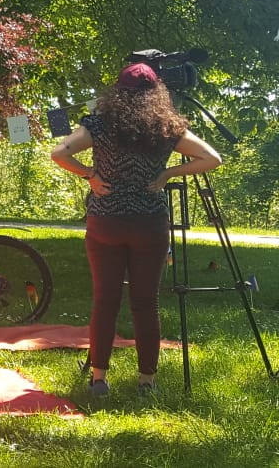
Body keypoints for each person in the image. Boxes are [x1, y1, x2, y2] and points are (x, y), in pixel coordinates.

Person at [51, 62, 222, 397]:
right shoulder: (167, 127)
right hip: (149, 223)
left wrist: (90, 175)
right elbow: (212, 158)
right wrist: (169, 174)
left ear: (118, 91)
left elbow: (59, 153)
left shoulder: (98, 124)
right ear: (156, 92)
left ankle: (99, 378)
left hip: (105, 220)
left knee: (105, 300)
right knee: (146, 302)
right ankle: (146, 381)